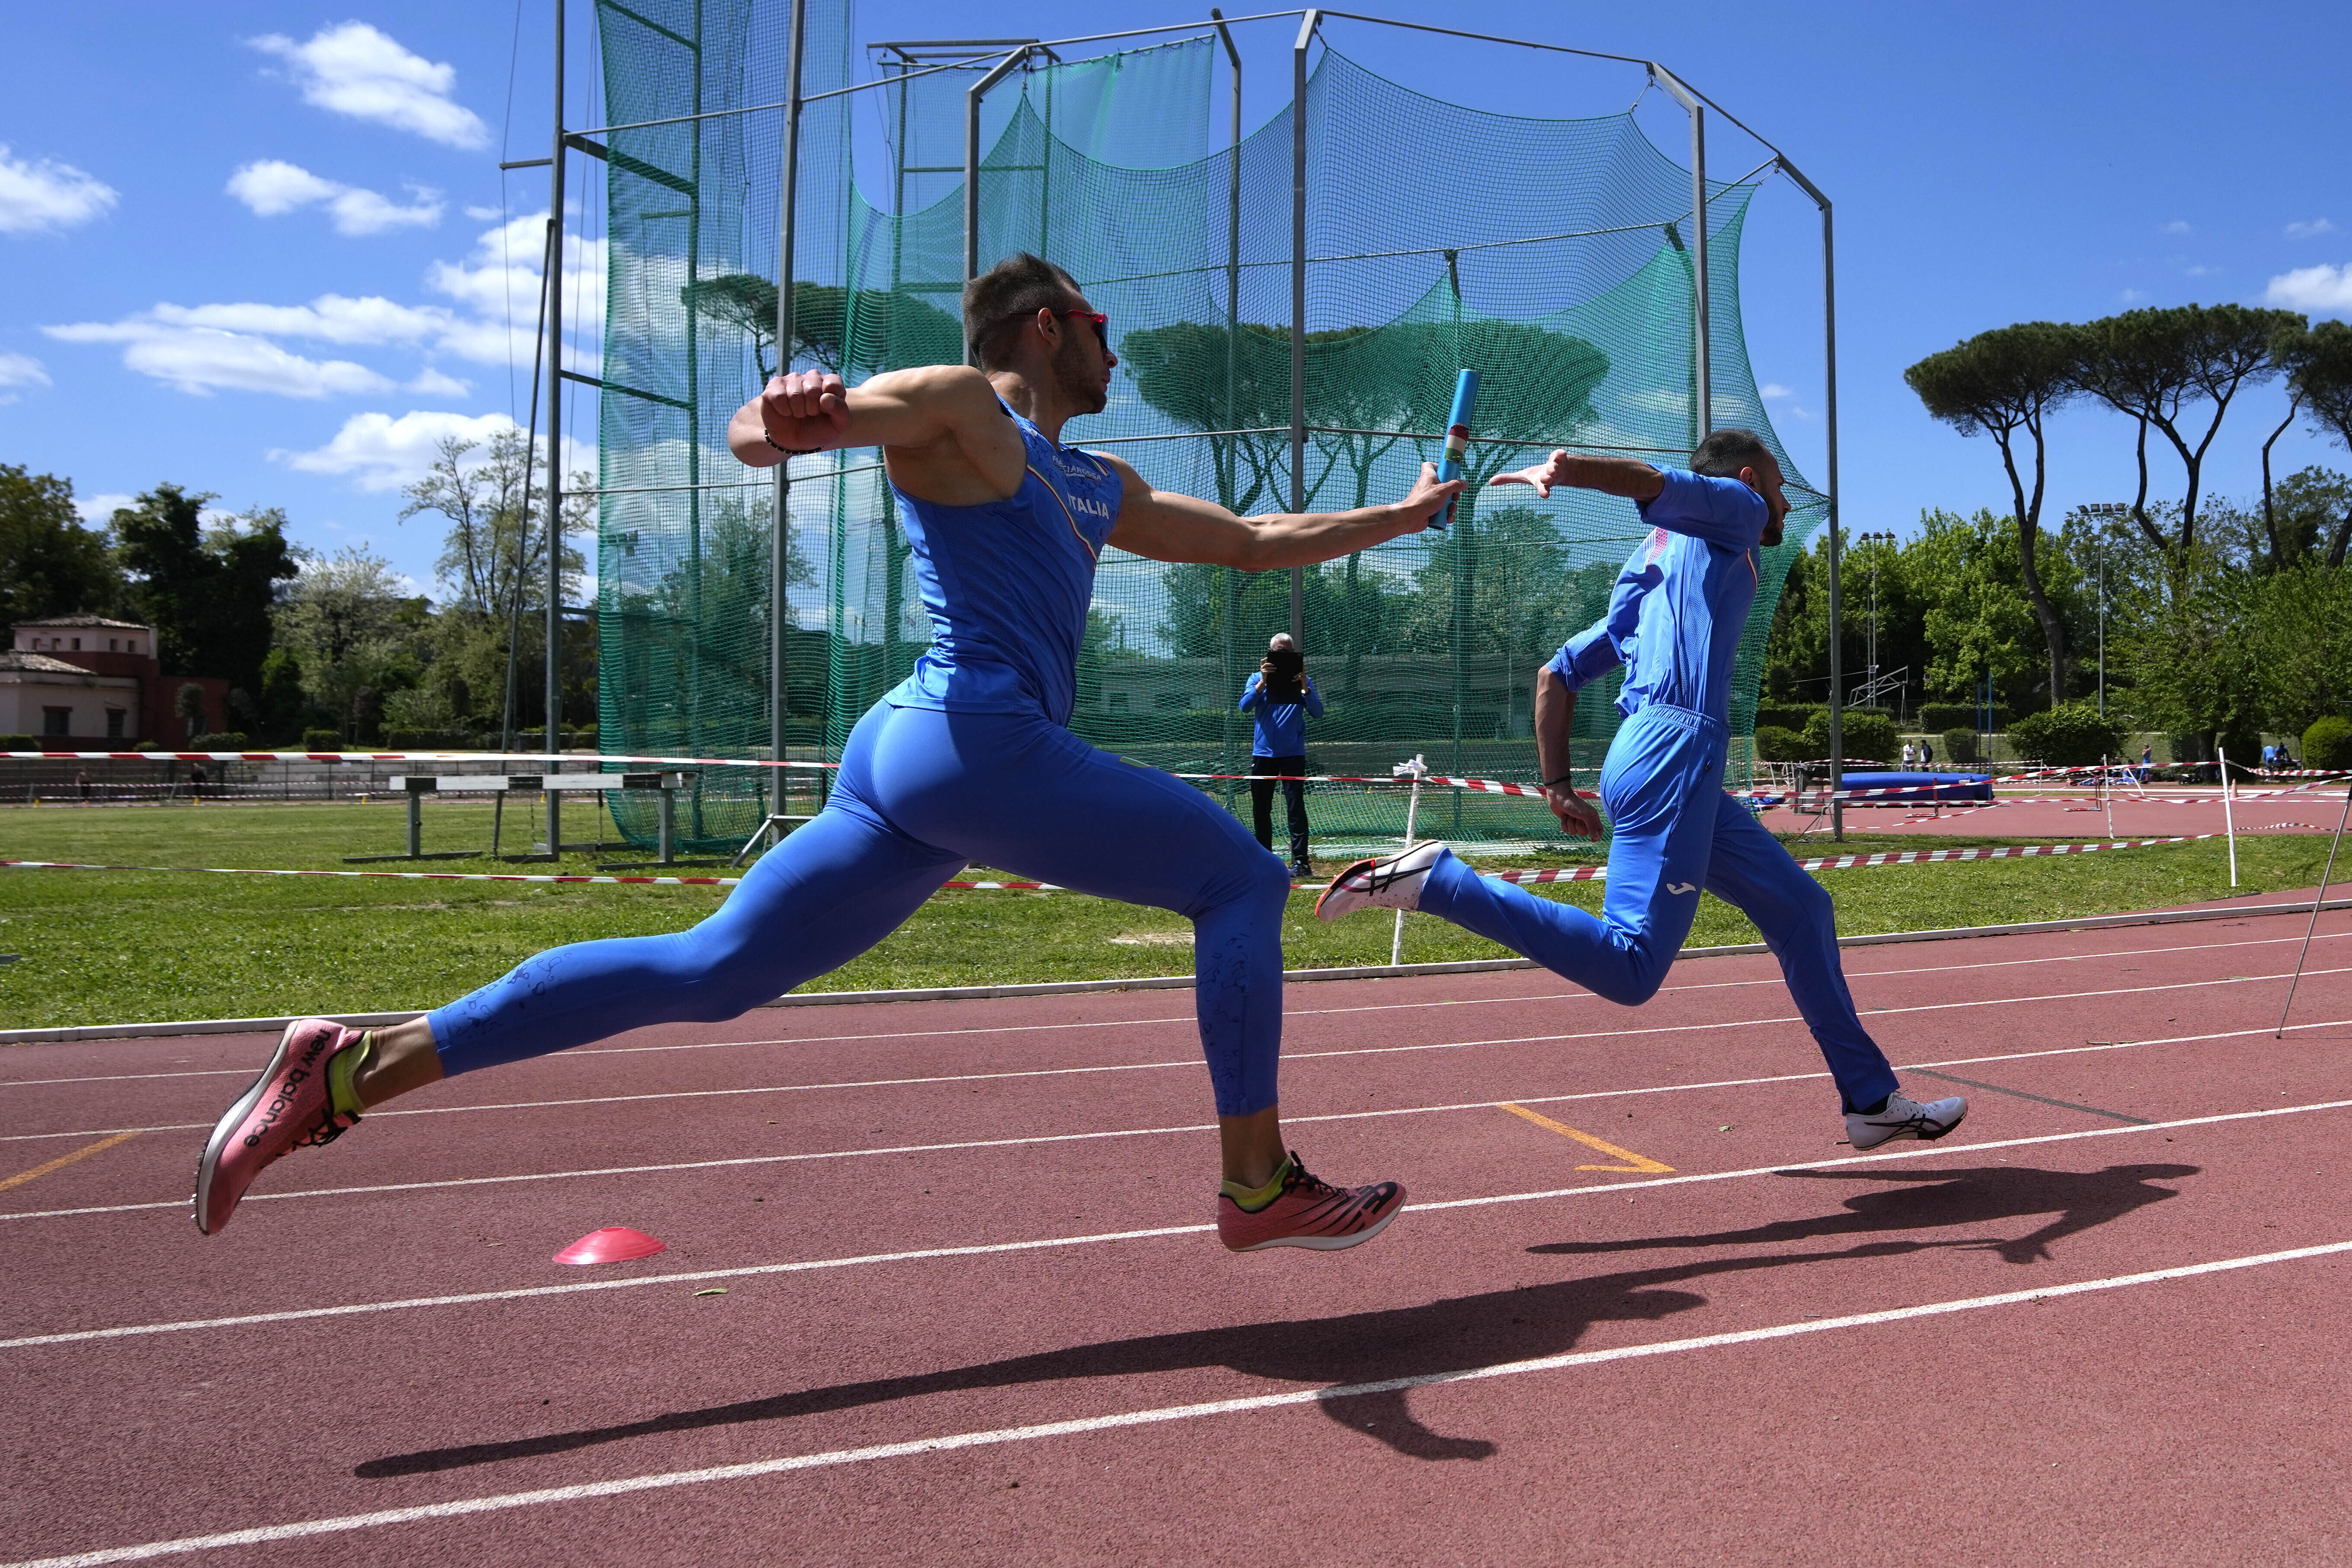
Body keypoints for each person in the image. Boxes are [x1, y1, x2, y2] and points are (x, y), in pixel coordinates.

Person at [193, 252, 1456, 1252]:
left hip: (915, 758)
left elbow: (1252, 537)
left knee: (711, 969)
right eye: (1103, 325)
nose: (1120, 347)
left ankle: (347, 1068)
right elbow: (763, 432)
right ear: (1045, 323)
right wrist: (780, 413)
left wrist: (1401, 514)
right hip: (970, 733)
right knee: (1237, 876)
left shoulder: (1092, 481)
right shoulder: (961, 407)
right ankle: (1255, 1179)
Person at [1316, 431, 1968, 1152]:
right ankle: (1439, 884)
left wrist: (1558, 784)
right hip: (1674, 751)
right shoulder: (1740, 510)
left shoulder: (1649, 567)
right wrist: (1565, 471)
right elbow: (1649, 483)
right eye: (1779, 487)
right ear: (1749, 480)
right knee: (1630, 967)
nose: (1782, 505)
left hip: (1654, 759)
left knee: (1801, 909)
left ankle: (1869, 1098)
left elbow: (1552, 676)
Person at [1239, 632, 1323, 877]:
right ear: (1269, 653)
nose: (1282, 655)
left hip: (1293, 755)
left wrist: (1306, 687)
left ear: (1294, 654)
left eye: (1287, 652)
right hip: (1263, 754)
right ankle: (1264, 859)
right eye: (1278, 651)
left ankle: (1301, 863)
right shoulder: (1256, 678)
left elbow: (1318, 713)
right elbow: (1245, 707)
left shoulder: (1302, 682)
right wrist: (1263, 682)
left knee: (1296, 808)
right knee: (1261, 808)